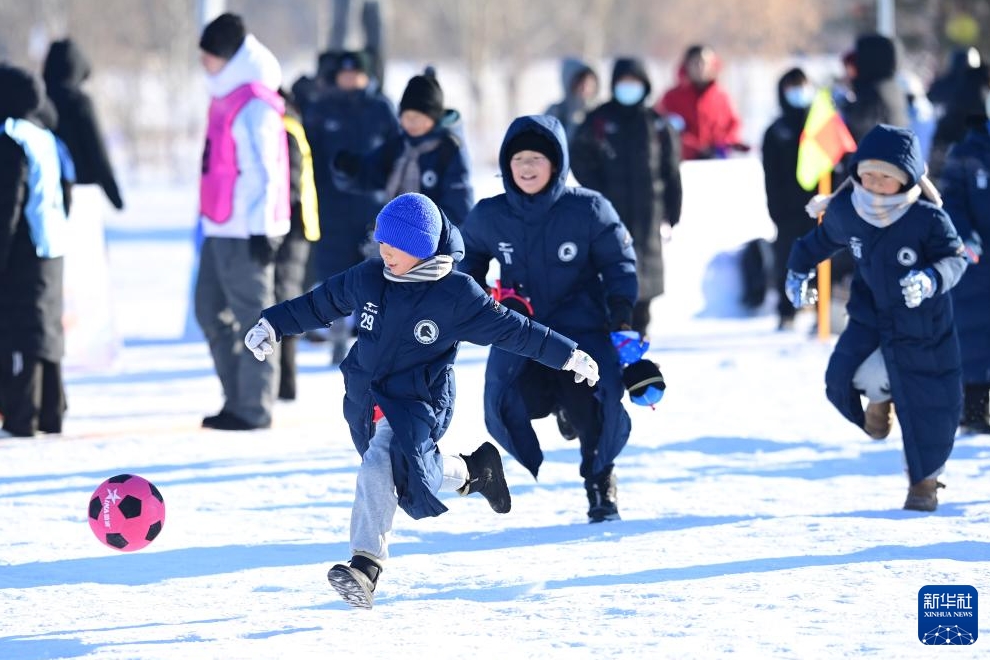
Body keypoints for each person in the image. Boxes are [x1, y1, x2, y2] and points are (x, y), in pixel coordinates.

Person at [242, 192, 600, 608]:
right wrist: (273, 324)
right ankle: (474, 471)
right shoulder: (369, 277)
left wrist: (567, 353)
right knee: (408, 477)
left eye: (397, 247)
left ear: (423, 248)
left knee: (380, 463)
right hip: (365, 396)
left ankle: (365, 566)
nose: (385, 252)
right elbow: (320, 304)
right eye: (382, 243)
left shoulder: (456, 295)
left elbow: (513, 329)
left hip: (418, 400)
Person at [458, 114, 638, 522]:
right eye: (518, 158)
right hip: (523, 334)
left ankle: (600, 482)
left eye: (536, 158)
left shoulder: (589, 208)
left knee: (596, 404)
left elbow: (619, 263)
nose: (526, 167)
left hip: (584, 333)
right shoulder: (490, 215)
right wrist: (488, 305)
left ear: (555, 163)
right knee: (509, 401)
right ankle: (557, 409)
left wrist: (623, 317)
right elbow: (462, 269)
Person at [785, 124, 967, 512]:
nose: (874, 183)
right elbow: (814, 244)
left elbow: (955, 258)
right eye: (867, 174)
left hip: (924, 325)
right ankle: (879, 402)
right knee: (844, 376)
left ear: (905, 179)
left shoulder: (926, 218)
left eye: (885, 176)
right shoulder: (849, 210)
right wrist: (797, 273)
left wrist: (932, 279)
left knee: (929, 405)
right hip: (872, 317)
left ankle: (924, 484)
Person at [195, 13, 290, 431]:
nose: (204, 64)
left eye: (209, 56)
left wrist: (260, 230)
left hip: (247, 232)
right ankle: (237, 398)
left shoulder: (255, 105)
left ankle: (253, 408)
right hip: (220, 228)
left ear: (229, 57)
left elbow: (267, 173)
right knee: (209, 310)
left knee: (255, 319)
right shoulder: (227, 97)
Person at [571, 56, 682, 337]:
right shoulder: (598, 120)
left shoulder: (656, 125)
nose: (629, 88)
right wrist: (598, 194)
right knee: (610, 278)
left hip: (648, 217)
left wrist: (673, 211)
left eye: (635, 82)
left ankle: (639, 339)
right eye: (624, 82)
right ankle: (612, 338)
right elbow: (580, 158)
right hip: (609, 217)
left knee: (643, 282)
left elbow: (671, 171)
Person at [302, 49, 400, 363]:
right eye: (344, 74)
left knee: (373, 276)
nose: (350, 79)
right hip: (330, 207)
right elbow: (309, 155)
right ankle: (338, 339)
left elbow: (396, 154)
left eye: (356, 73)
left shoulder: (380, 109)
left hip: (371, 207)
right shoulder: (322, 109)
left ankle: (372, 341)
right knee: (334, 276)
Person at [0, 64, 72, 437]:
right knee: (46, 330)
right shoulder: (42, 134)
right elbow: (67, 184)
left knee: (19, 332)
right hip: (53, 243)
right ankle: (51, 411)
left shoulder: (10, 138)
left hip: (25, 247)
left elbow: (7, 204)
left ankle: (21, 416)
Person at [332, 68, 474, 228]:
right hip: (397, 235)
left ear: (433, 118)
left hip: (433, 239)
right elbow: (373, 171)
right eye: (406, 117)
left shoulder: (449, 149)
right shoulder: (400, 145)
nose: (411, 123)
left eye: (417, 118)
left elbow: (459, 205)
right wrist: (350, 168)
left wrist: (426, 227)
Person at [938, 64, 990, 434]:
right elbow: (950, 198)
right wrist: (964, 233)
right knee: (973, 335)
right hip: (976, 259)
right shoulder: (968, 150)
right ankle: (973, 409)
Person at [761, 67, 818, 330]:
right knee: (789, 259)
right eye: (792, 87)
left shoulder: (820, 127)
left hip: (819, 206)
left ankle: (819, 308)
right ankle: (788, 310)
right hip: (788, 211)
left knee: (821, 259)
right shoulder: (776, 131)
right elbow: (771, 176)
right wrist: (777, 210)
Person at [274, 88, 320, 401]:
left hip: (291, 228)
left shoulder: (284, 129)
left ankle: (285, 385)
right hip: (299, 227)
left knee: (283, 301)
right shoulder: (293, 123)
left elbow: (289, 181)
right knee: (284, 301)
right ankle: (283, 383)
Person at [42, 38, 123, 211]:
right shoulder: (79, 103)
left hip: (45, 193)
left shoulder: (39, 101)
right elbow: (97, 152)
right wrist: (115, 196)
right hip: (81, 194)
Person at [656, 44, 746, 160]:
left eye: (705, 62)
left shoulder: (722, 97)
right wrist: (696, 150)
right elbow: (665, 130)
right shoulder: (671, 97)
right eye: (695, 63)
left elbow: (734, 127)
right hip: (683, 164)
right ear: (686, 65)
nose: (701, 67)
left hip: (716, 163)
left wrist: (721, 146)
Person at [545, 57, 599, 143]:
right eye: (580, 84)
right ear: (569, 84)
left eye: (589, 84)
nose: (585, 89)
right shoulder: (556, 113)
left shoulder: (602, 113)